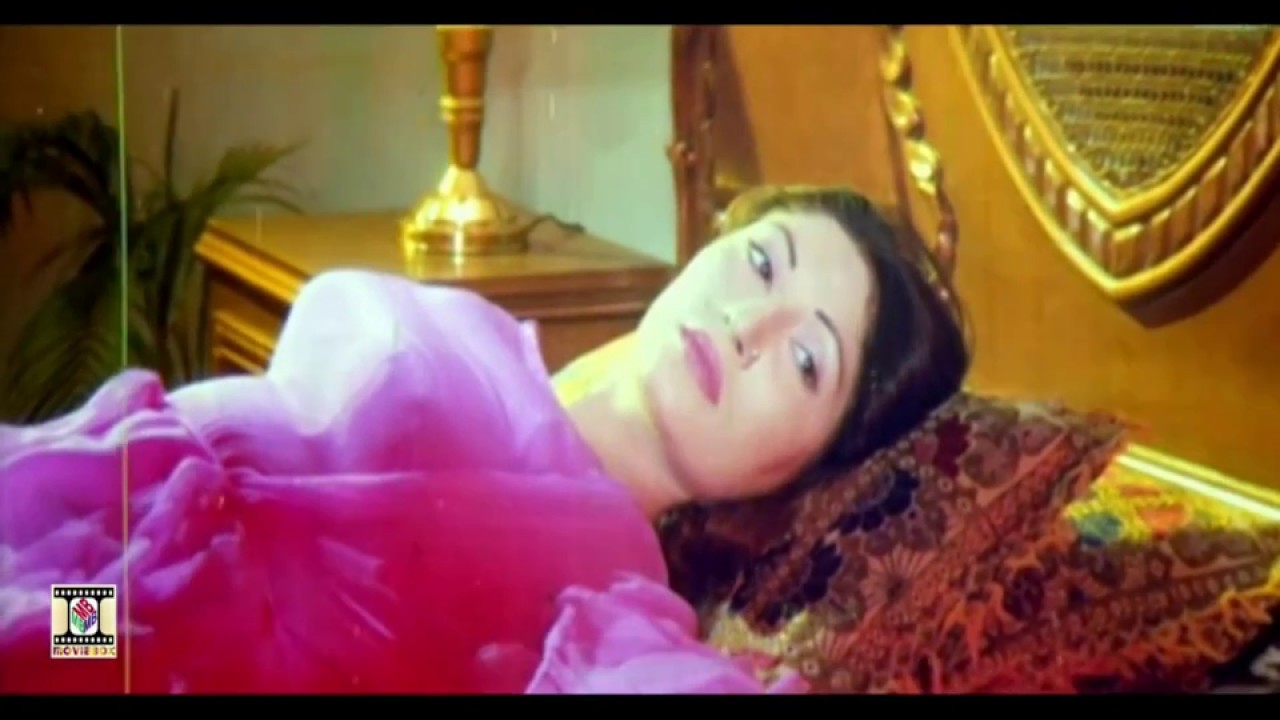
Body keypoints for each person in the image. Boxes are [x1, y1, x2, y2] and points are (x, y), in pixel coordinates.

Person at [0, 185, 969, 694]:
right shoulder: (476, 330)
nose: (748, 326)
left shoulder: (605, 605)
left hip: (117, 643)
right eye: (760, 262)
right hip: (54, 526)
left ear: (806, 469)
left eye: (805, 360)